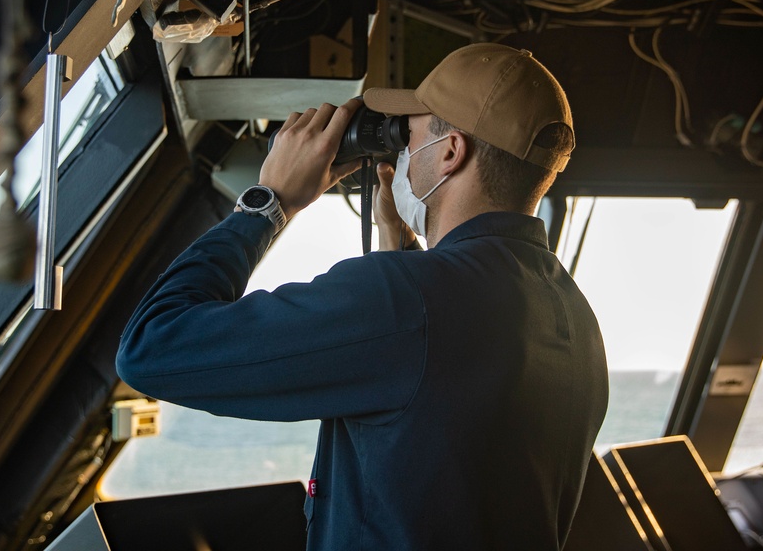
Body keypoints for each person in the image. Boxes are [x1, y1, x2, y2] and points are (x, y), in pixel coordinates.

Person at [116, 43, 609, 550]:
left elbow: (153, 348)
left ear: (449, 152)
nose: (399, 151)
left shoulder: (406, 300)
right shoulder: (575, 319)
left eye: (408, 132)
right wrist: (407, 255)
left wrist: (269, 204)